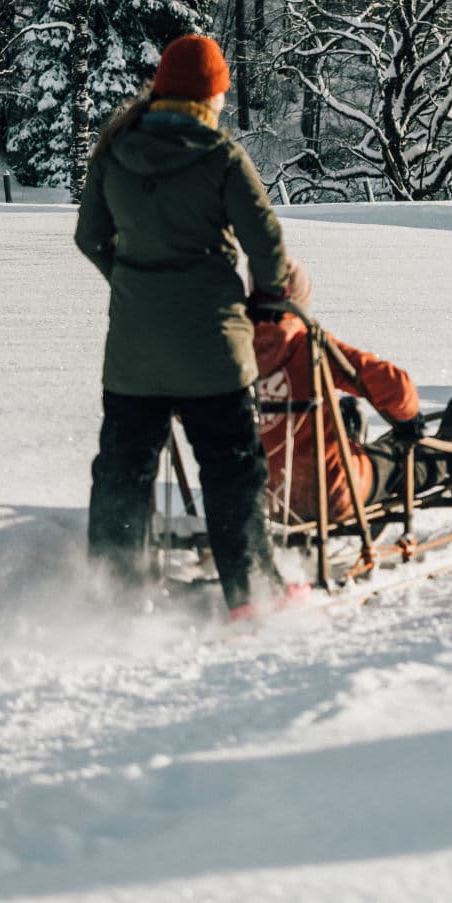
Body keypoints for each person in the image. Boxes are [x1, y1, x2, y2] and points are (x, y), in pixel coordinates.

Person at [74, 33, 300, 620]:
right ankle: (250, 593)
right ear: (212, 95)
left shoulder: (114, 149)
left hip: (132, 352)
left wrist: (133, 281)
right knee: (232, 468)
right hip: (213, 348)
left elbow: (88, 238)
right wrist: (267, 304)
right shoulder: (221, 156)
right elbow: (267, 245)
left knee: (123, 471)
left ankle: (110, 595)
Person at [249, 279, 452, 526]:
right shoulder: (306, 344)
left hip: (268, 498)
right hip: (334, 492)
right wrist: (408, 419)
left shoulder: (233, 352)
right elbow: (396, 387)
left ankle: (345, 437)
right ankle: (450, 450)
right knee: (398, 461)